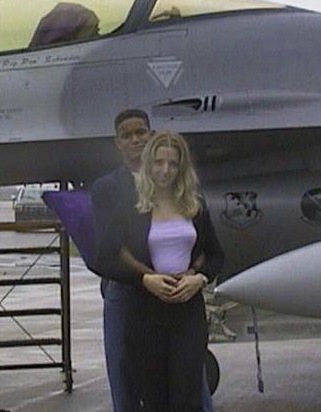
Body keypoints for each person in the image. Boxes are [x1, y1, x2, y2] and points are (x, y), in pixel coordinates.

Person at [93, 131, 224, 411]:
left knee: (187, 398)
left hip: (187, 312)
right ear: (149, 164)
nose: (165, 171)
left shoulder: (195, 205)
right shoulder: (132, 207)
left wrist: (200, 279)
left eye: (173, 164)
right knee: (155, 399)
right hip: (145, 313)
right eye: (159, 163)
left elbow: (216, 255)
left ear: (182, 167)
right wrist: (144, 279)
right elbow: (104, 258)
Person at [90, 109, 153, 412]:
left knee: (186, 380)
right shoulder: (106, 188)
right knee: (123, 373)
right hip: (124, 290)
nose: (135, 140)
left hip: (167, 288)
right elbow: (106, 251)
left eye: (141, 132)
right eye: (127, 136)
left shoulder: (171, 179)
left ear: (151, 135)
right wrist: (143, 277)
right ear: (118, 143)